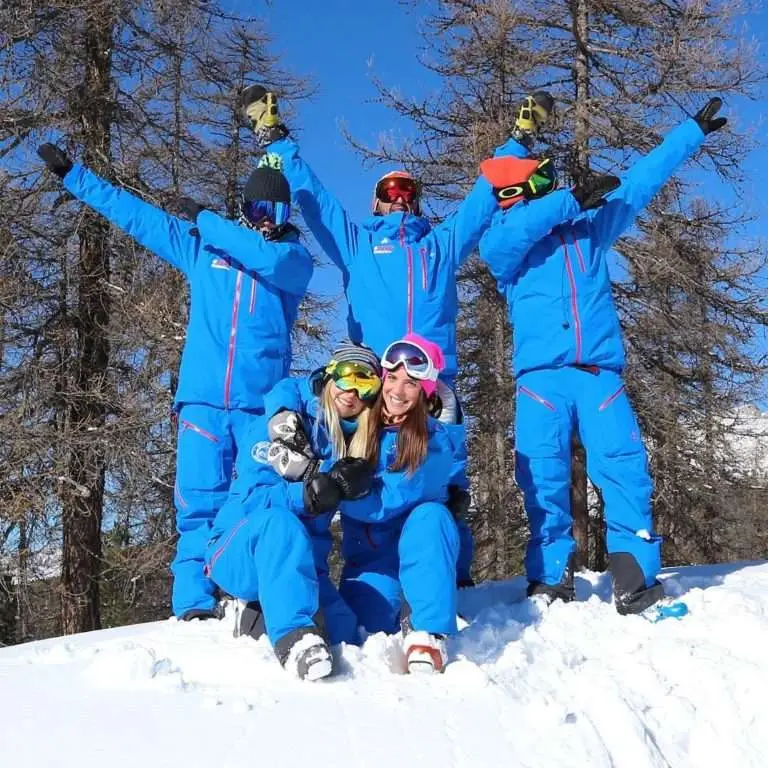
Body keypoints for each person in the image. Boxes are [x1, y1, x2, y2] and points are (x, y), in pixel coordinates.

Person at [37, 143, 313, 621]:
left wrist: (207, 219)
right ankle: (194, 603)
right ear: (245, 209)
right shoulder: (204, 249)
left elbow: (263, 258)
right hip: (203, 401)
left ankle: (250, 590)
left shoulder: (293, 260)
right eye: (258, 210)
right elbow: (138, 218)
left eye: (277, 212)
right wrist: (75, 177)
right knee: (197, 502)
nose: (267, 222)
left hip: (259, 408)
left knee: (255, 499)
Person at [477, 98, 728, 615]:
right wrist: (567, 200)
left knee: (625, 469)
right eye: (539, 179)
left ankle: (634, 575)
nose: (548, 185)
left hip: (598, 373)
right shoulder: (504, 239)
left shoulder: (588, 232)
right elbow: (513, 234)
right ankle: (550, 578)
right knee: (542, 479)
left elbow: (637, 186)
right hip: (541, 380)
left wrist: (689, 134)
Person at [260, 335, 466, 673]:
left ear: (425, 392)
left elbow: (384, 503)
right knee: (353, 630)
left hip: (411, 551)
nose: (398, 391)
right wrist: (283, 413)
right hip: (370, 562)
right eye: (393, 378)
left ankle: (429, 632)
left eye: (411, 383)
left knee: (432, 516)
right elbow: (304, 389)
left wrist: (339, 488)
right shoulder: (366, 413)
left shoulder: (434, 442)